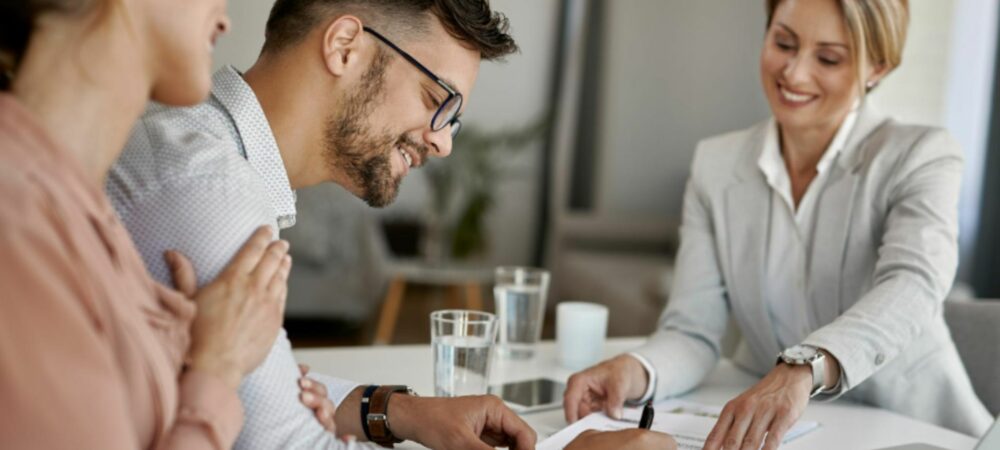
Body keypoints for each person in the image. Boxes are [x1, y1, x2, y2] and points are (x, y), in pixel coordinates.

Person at [106, 1, 540, 449]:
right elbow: (283, 440)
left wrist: (399, 411)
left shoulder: (203, 147)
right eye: (436, 99)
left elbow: (265, 387)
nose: (443, 142)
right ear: (344, 47)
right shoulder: (213, 189)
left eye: (453, 120)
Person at [563, 1, 993, 449]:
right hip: (784, 435)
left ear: (877, 68)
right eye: (783, 42)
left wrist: (803, 367)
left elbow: (914, 283)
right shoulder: (716, 165)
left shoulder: (920, 155)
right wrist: (634, 368)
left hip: (913, 428)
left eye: (828, 58)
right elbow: (692, 330)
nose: (794, 73)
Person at [0, 0, 295, 448]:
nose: (224, 16)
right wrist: (217, 371)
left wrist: (178, 342)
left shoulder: (80, 209)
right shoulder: (19, 223)